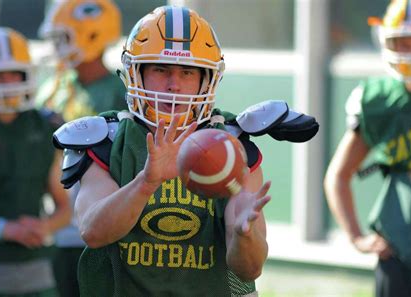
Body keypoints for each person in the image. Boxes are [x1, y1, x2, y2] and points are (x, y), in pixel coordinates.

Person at [53, 6, 276, 297]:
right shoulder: (106, 139)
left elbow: (249, 269)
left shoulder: (232, 145)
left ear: (206, 79)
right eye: (161, 69)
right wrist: (146, 182)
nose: (174, 85)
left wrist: (245, 235)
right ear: (136, 73)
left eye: (187, 72)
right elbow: (93, 232)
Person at [324, 1, 411, 297]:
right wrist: (357, 237)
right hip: (398, 258)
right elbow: (337, 176)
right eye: (403, 42)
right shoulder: (379, 100)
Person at [0, 27, 71, 297]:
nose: (8, 82)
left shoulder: (42, 125)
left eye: (15, 73)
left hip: (36, 274)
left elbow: (64, 207)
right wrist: (3, 229)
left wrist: (44, 227)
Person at [37, 1, 126, 296]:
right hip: (56, 225)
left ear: (91, 36)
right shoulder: (54, 86)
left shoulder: (120, 91)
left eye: (64, 38)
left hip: (98, 222)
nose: (58, 47)